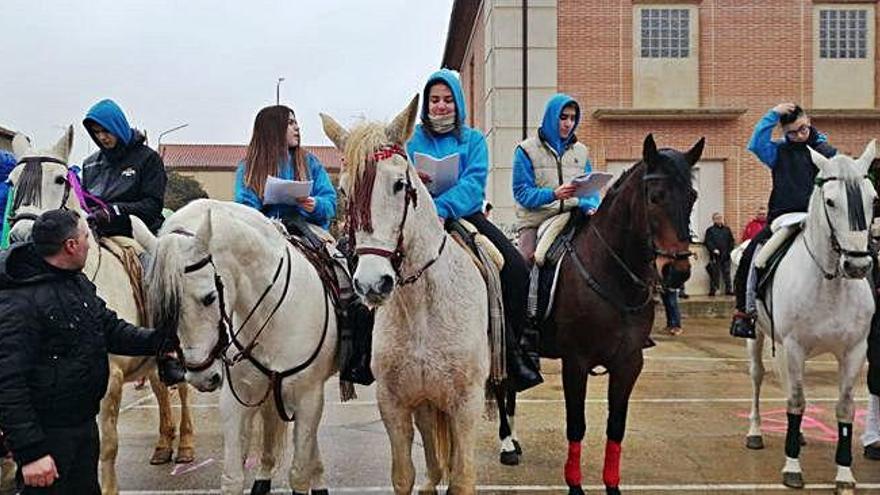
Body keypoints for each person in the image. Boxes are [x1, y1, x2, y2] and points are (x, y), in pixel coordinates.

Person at [0, 209, 175, 494]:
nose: (90, 244)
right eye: (85, 237)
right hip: (47, 441)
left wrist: (162, 341)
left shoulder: (77, 282)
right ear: (70, 246)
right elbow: (8, 384)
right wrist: (31, 454)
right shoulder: (19, 300)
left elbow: (112, 330)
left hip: (83, 427)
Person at [407, 69, 542, 391]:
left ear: (458, 103)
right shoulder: (412, 139)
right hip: (418, 217)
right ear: (426, 105)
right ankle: (369, 350)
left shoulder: (473, 139)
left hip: (464, 216)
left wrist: (441, 208)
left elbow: (473, 183)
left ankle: (513, 350)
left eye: (447, 100)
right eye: (434, 100)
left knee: (514, 270)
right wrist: (420, 188)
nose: (440, 106)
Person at [234, 105, 373, 385]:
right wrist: (267, 209)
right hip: (267, 231)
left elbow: (329, 201)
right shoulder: (248, 167)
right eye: (290, 123)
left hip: (308, 229)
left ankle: (352, 350)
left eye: (296, 122)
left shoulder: (309, 162)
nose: (297, 128)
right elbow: (244, 208)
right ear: (272, 130)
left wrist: (313, 204)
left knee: (342, 267)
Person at [730, 103, 837, 338]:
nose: (799, 135)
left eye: (803, 129)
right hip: (784, 217)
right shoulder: (778, 152)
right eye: (792, 132)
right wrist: (772, 115)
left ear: (809, 123)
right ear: (784, 132)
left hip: (819, 219)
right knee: (752, 257)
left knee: (861, 249)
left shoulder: (827, 151)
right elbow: (756, 144)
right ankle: (744, 313)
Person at [511, 93, 600, 264]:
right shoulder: (525, 150)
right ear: (552, 117)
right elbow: (521, 193)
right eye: (563, 117)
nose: (569, 124)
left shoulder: (582, 151)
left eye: (573, 118)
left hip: (573, 215)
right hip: (535, 221)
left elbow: (591, 188)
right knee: (522, 266)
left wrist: (591, 205)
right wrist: (553, 194)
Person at [82, 99, 167, 237]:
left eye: (106, 131)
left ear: (118, 127)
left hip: (139, 235)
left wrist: (113, 211)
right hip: (97, 235)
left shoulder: (148, 158)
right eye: (96, 132)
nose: (102, 137)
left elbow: (152, 206)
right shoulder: (90, 164)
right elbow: (84, 202)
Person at [703, 212, 735, 296]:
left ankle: (728, 290)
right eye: (717, 218)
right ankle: (713, 290)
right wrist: (713, 249)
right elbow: (708, 241)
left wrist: (729, 251)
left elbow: (731, 241)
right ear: (713, 220)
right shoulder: (710, 230)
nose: (719, 220)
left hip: (726, 255)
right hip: (715, 256)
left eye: (720, 218)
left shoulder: (727, 230)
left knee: (726, 274)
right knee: (714, 274)